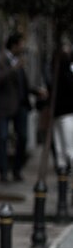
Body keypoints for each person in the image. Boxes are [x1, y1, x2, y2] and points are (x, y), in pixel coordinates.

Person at [0, 32, 33, 182]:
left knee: (23, 137)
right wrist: (13, 69)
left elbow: (23, 84)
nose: (23, 48)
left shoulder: (20, 62)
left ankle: (17, 170)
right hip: (4, 106)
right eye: (21, 44)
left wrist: (35, 91)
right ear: (14, 45)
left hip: (20, 106)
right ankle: (3, 171)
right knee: (2, 138)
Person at [52, 43, 73, 173]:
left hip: (67, 115)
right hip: (59, 115)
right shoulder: (57, 73)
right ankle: (63, 180)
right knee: (61, 153)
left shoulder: (68, 73)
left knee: (69, 149)